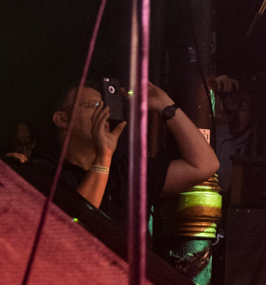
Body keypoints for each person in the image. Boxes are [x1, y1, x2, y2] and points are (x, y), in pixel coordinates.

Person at [43, 80, 219, 229]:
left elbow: (205, 165)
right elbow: (74, 226)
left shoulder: (126, 172)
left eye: (104, 105)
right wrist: (103, 157)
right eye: (93, 106)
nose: (104, 113)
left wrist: (164, 104)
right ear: (62, 119)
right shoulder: (43, 173)